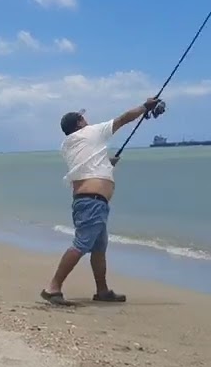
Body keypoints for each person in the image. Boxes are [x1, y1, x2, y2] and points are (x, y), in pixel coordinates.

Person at [40, 96, 163, 306]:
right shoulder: (91, 132)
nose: (86, 120)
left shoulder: (68, 144)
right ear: (79, 123)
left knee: (98, 249)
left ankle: (102, 291)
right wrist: (145, 107)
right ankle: (53, 287)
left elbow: (87, 164)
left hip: (88, 201)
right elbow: (123, 119)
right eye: (83, 118)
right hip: (92, 202)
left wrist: (106, 164)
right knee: (81, 244)